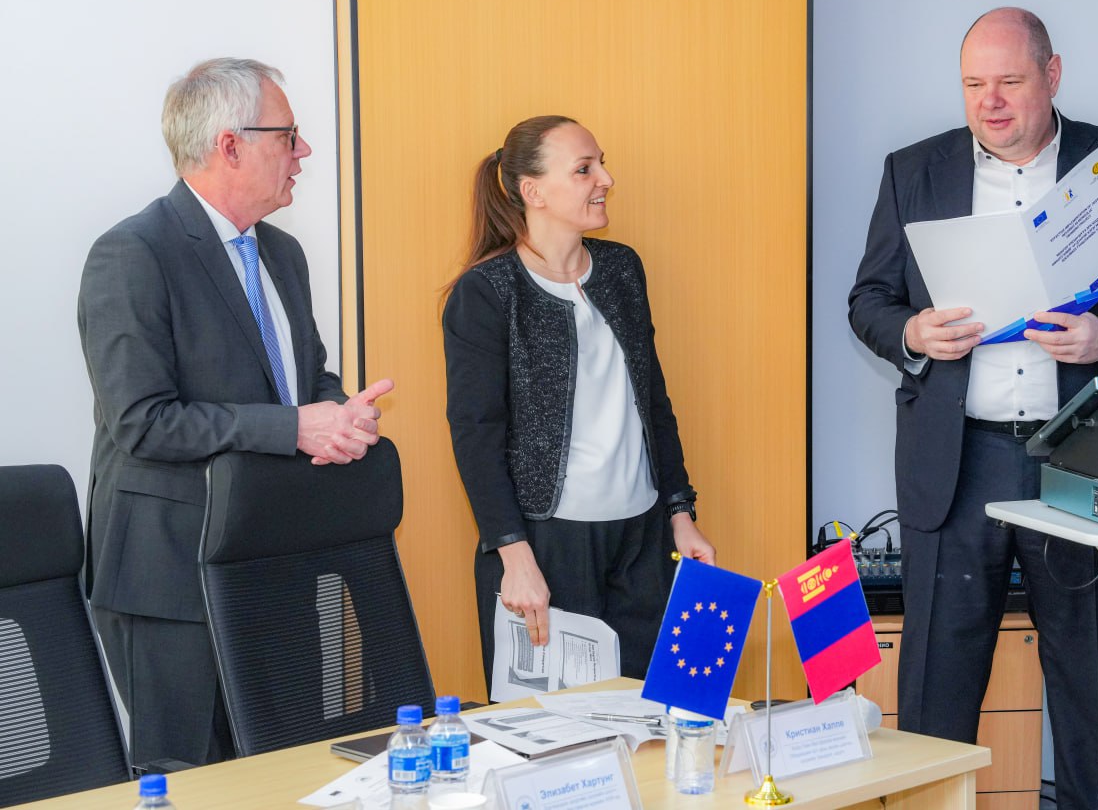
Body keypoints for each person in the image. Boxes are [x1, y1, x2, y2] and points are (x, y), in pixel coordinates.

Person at [848, 9, 1098, 810]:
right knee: (937, 686)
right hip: (956, 464)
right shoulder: (913, 170)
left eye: (1009, 82)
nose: (990, 102)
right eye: (974, 84)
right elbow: (868, 300)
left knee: (1089, 681)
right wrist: (911, 332)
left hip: (1078, 458)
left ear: (1053, 75)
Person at [78, 58, 393, 769]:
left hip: (271, 560)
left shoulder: (282, 253)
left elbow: (305, 376)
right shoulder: (132, 253)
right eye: (288, 136)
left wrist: (339, 413)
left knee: (289, 770)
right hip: (170, 582)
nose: (303, 151)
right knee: (192, 783)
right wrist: (296, 428)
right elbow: (142, 421)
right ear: (230, 145)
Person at [442, 115, 715, 692]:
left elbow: (653, 401)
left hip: (642, 540)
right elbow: (476, 435)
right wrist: (513, 555)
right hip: (547, 548)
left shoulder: (622, 269)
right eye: (584, 169)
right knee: (556, 731)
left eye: (601, 165)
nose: (606, 180)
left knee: (655, 715)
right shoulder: (486, 292)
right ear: (533, 191)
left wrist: (680, 512)